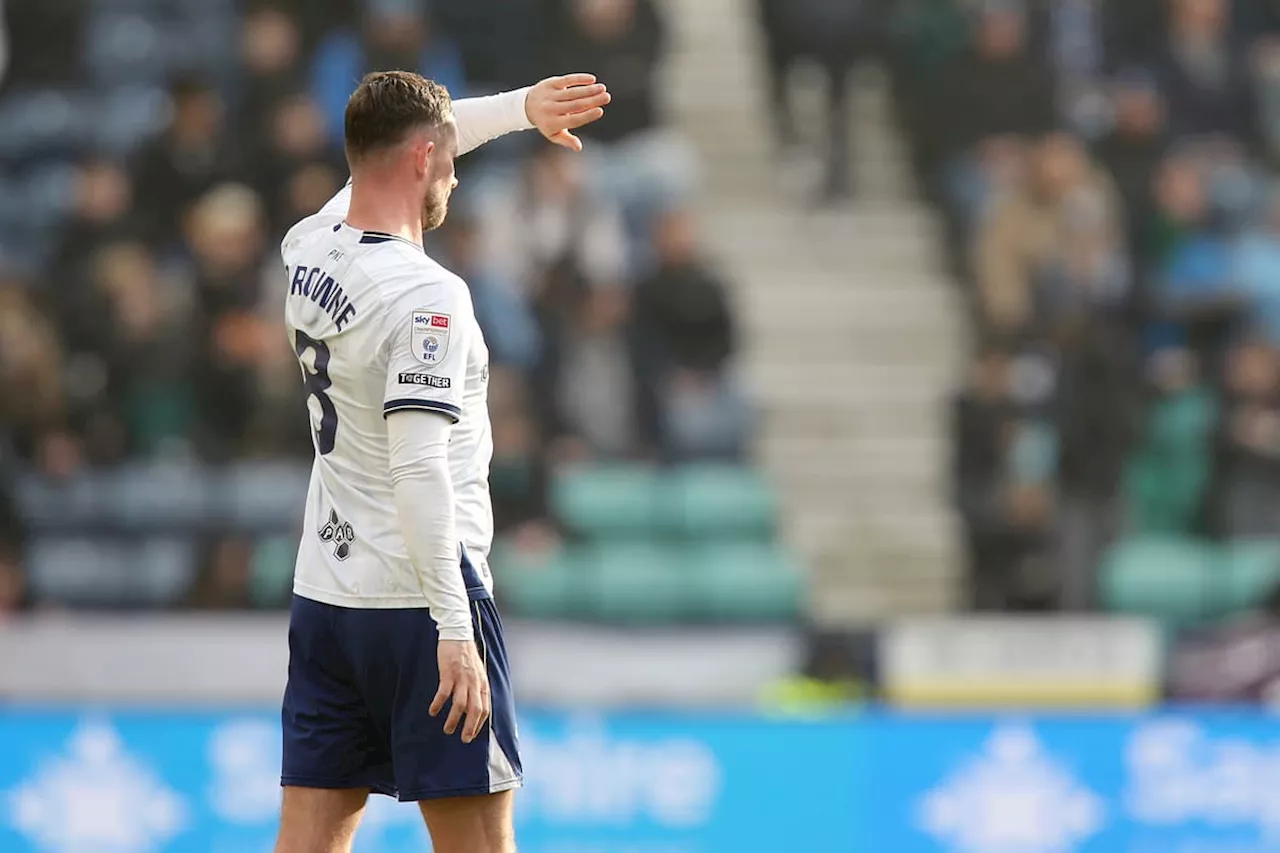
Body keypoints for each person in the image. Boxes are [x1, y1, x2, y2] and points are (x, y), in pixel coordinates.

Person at [274, 71, 609, 853]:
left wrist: (521, 111)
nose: (456, 176)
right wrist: (455, 626)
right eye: (451, 162)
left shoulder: (307, 247)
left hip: (327, 593)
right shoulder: (428, 297)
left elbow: (421, 132)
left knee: (309, 841)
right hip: (422, 601)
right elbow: (418, 469)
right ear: (425, 158)